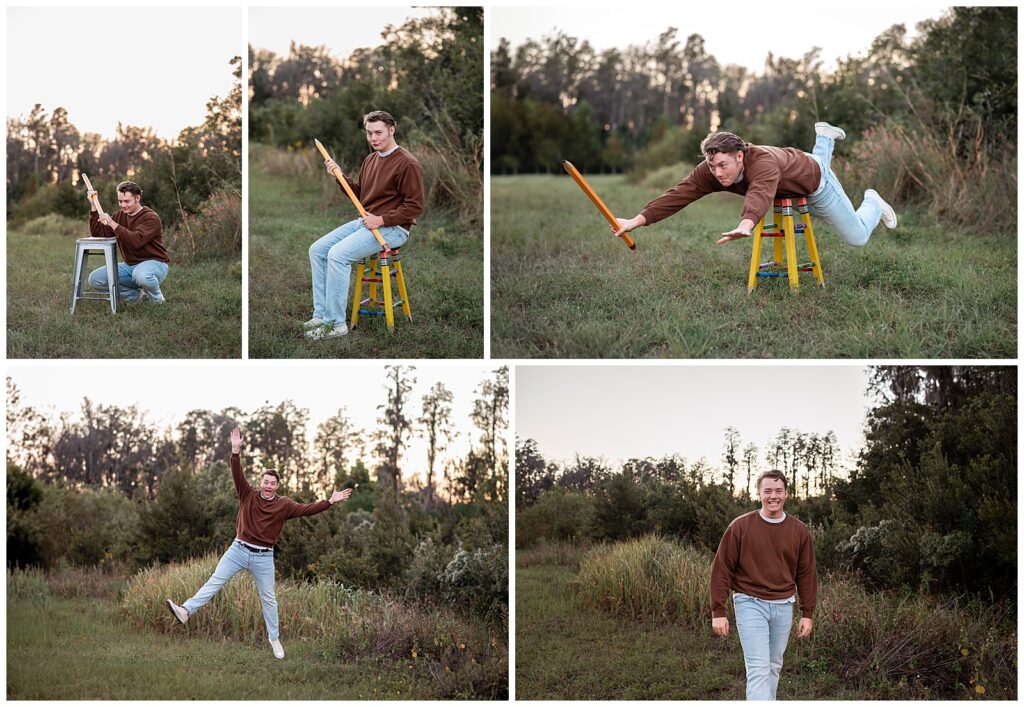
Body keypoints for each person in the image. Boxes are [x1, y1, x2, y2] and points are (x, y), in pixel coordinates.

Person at [165, 428, 353, 659]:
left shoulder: (284, 505)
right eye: (265, 482)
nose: (268, 486)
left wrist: (329, 501)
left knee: (268, 598)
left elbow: (307, 509)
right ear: (260, 482)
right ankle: (185, 611)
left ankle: (274, 638)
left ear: (277, 486)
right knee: (215, 581)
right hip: (238, 550)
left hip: (263, 557)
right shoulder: (248, 494)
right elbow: (237, 473)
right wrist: (235, 451)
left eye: (272, 483)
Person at [613, 123, 897, 248]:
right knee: (808, 171)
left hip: (814, 181)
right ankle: (824, 137)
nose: (717, 173)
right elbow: (680, 193)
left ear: (740, 156)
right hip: (792, 171)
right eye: (712, 166)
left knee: (857, 237)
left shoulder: (763, 164)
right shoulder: (713, 167)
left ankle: (872, 202)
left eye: (722, 165)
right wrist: (636, 220)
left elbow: (760, 193)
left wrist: (745, 224)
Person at [306, 110, 425, 339]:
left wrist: (381, 219)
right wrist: (340, 177)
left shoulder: (407, 163)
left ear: (392, 130)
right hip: (366, 222)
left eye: (378, 132)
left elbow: (415, 206)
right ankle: (321, 315)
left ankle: (335, 324)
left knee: (337, 255)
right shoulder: (370, 160)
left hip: (394, 228)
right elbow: (361, 196)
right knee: (317, 250)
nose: (373, 138)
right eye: (369, 133)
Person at [709, 469, 817, 701]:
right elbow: (722, 569)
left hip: (783, 605)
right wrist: (718, 610)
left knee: (773, 666)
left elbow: (806, 574)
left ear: (786, 494)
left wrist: (807, 613)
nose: (773, 496)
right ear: (758, 493)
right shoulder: (740, 527)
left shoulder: (799, 530)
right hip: (750, 602)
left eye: (778, 491)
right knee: (758, 668)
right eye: (767, 491)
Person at [86, 180, 170, 303]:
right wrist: (93, 206)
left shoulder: (151, 217)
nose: (123, 205)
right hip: (130, 265)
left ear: (137, 198)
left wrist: (112, 223)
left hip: (155, 263)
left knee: (141, 275)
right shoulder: (118, 216)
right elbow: (98, 234)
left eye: (127, 201)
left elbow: (136, 241)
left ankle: (158, 300)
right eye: (120, 201)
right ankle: (134, 296)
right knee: (96, 279)